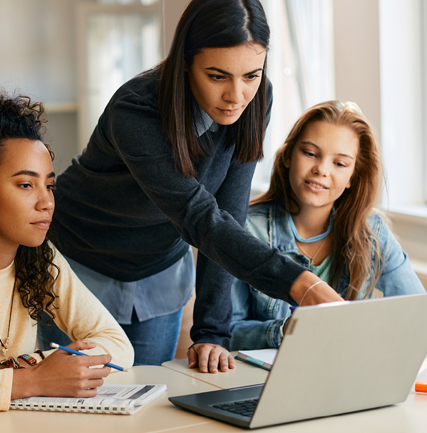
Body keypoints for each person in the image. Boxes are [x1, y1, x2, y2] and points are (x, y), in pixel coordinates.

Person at [38, 0, 342, 372]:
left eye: (251, 74)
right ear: (185, 62)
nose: (236, 96)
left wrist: (212, 331)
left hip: (159, 271)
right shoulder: (134, 111)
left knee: (143, 411)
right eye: (217, 76)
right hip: (78, 263)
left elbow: (227, 213)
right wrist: (299, 283)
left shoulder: (256, 98)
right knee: (76, 413)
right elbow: (197, 215)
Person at [226, 100, 425, 351]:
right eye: (310, 153)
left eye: (340, 163)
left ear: (353, 176)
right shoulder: (244, 228)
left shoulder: (372, 231)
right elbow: (224, 333)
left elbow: (417, 313)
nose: (321, 169)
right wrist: (286, 330)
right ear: (288, 156)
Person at [0, 93, 134, 411]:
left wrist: (34, 364)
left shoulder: (38, 257)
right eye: (25, 185)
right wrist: (33, 380)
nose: (46, 202)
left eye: (49, 185)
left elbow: (118, 346)